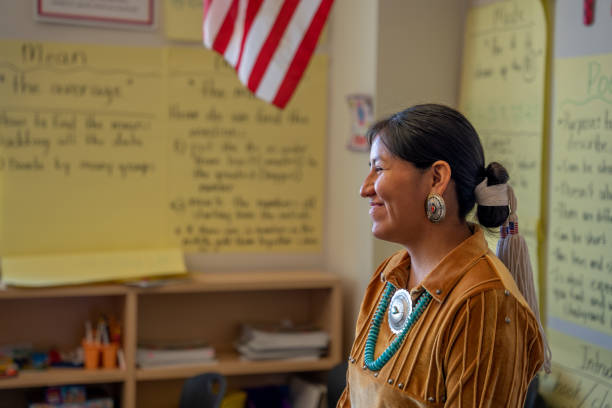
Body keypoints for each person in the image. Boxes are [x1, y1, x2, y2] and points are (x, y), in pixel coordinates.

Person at [337, 104, 548, 407]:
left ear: (437, 178)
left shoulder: (484, 301)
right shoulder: (390, 274)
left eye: (379, 168)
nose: (364, 188)